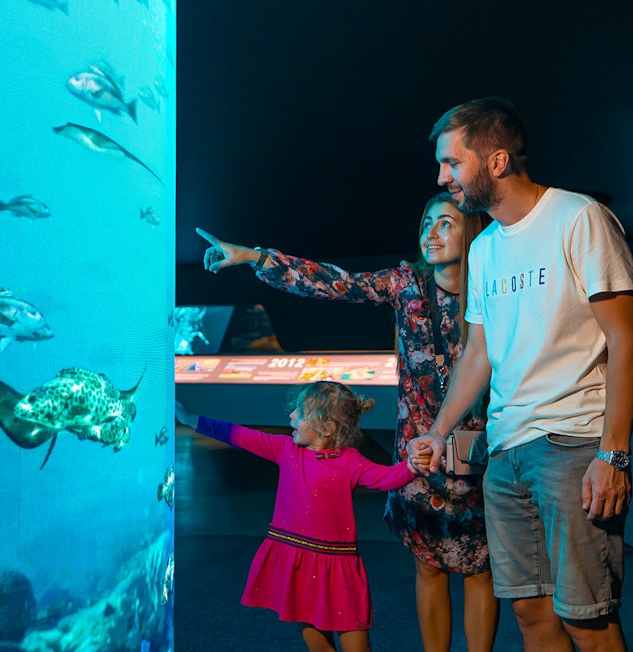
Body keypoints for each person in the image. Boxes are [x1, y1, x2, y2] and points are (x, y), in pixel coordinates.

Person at [196, 192, 500, 652]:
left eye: (446, 224)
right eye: (427, 224)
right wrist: (257, 257)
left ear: (472, 230)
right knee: (428, 565)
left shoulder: (491, 287)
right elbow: (336, 282)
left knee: (480, 570)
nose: (431, 234)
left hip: (479, 453)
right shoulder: (405, 284)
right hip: (418, 453)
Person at [410, 97, 633, 652]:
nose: (443, 178)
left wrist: (614, 454)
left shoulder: (579, 217)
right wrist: (439, 431)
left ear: (496, 161)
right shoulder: (485, 248)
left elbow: (626, 337)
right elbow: (477, 355)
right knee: (532, 617)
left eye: (452, 163)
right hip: (505, 449)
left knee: (589, 619)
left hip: (572, 444)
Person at [176, 381, 426, 652]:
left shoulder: (350, 461)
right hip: (298, 564)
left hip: (337, 567)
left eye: (301, 413)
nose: (292, 416)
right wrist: (192, 420)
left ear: (327, 427)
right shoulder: (284, 449)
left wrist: (411, 466)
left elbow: (385, 478)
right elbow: (238, 435)